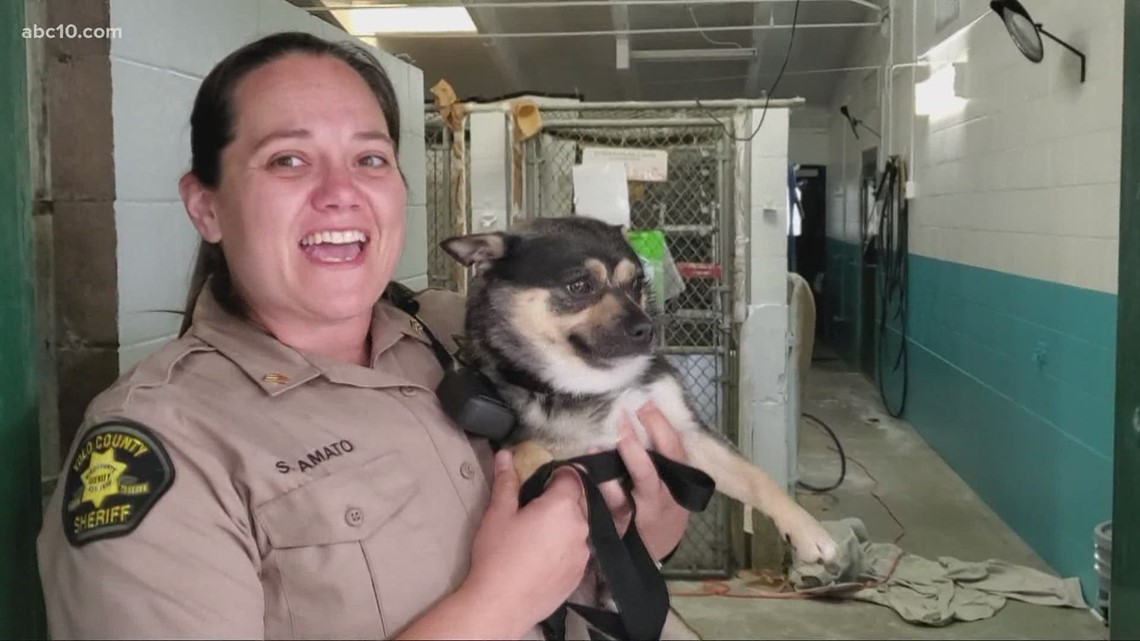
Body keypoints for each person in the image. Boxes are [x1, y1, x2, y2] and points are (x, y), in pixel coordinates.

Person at [36, 31, 693, 640]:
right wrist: (496, 604)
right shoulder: (165, 444)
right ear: (206, 206)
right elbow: (518, 591)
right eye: (288, 159)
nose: (340, 192)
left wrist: (637, 539)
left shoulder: (452, 334)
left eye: (369, 157)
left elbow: (567, 571)